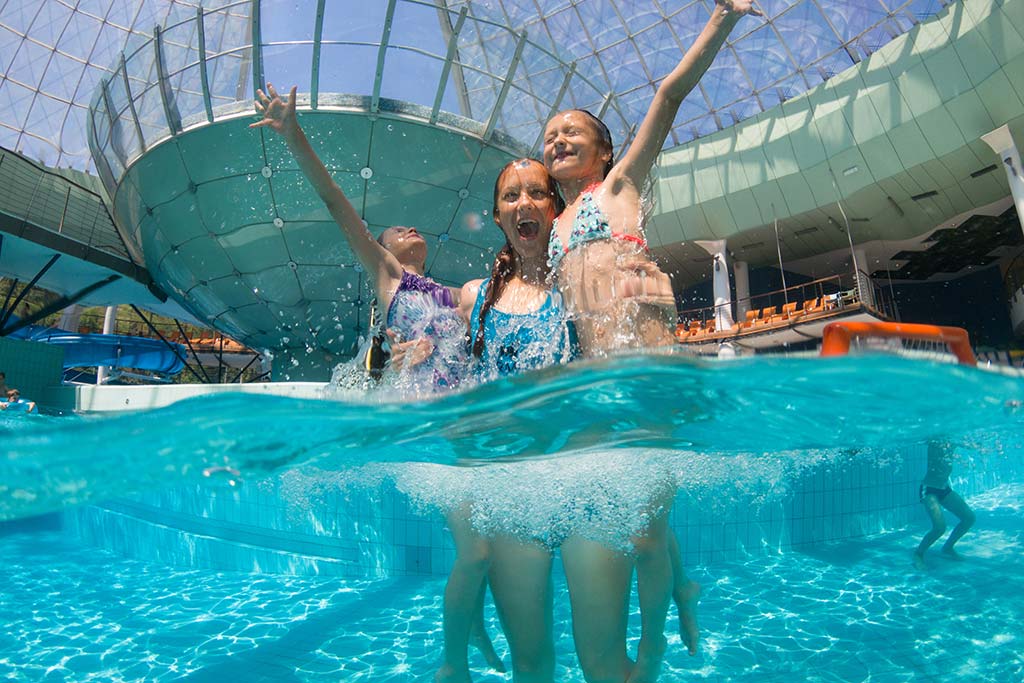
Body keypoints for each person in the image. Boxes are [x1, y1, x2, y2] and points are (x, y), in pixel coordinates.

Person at [540, 2, 763, 680]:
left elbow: (667, 94)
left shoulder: (620, 185)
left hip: (650, 366)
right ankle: (683, 588)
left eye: (572, 132)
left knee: (642, 528)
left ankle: (658, 645)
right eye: (550, 136)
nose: (558, 141)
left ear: (605, 149)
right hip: (596, 376)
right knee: (637, 512)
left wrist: (723, 19)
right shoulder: (553, 222)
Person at [391, 158, 574, 683]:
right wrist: (417, 347)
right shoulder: (477, 296)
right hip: (511, 484)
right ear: (497, 215)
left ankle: (467, 644)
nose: (524, 203)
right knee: (535, 654)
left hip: (577, 471)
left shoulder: (578, 288)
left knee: (588, 649)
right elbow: (430, 334)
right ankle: (462, 652)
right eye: (511, 196)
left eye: (536, 192)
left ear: (553, 208)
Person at [251, 83, 467, 392]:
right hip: (415, 402)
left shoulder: (455, 294)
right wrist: (293, 136)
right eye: (398, 231)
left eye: (410, 228)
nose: (410, 230)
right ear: (382, 249)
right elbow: (334, 200)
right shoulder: (389, 274)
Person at [913, 441, 976, 569]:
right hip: (929, 489)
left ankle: (948, 547)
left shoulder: (953, 439)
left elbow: (971, 444)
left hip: (944, 488)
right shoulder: (935, 440)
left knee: (969, 518)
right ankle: (918, 554)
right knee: (939, 528)